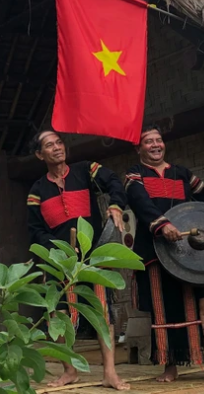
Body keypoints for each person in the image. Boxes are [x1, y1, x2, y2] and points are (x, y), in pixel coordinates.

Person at [124, 124, 204, 383]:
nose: (155, 145)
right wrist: (162, 225)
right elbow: (141, 203)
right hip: (155, 251)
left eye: (158, 140)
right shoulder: (134, 175)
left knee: (201, 307)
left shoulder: (182, 174)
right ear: (139, 148)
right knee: (162, 309)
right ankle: (170, 366)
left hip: (188, 252)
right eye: (148, 141)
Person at [27, 130, 130, 390]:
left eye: (59, 142)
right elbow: (36, 231)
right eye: (49, 145)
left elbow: (114, 181)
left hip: (92, 256)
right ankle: (70, 370)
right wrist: (58, 250)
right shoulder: (36, 191)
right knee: (57, 315)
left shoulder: (86, 170)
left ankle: (109, 373)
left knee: (102, 312)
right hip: (59, 262)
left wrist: (116, 204)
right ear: (40, 154)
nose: (57, 148)